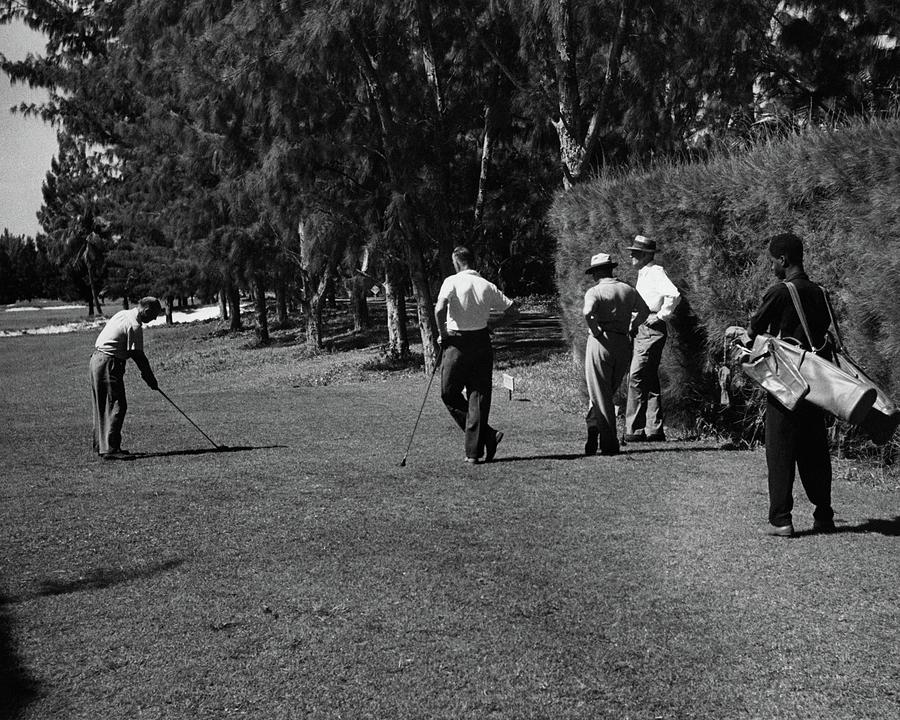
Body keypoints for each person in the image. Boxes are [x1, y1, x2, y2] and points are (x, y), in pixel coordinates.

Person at [740, 232, 835, 537]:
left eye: (773, 261)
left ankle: (782, 519)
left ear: (783, 260)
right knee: (815, 450)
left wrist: (743, 336)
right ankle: (824, 515)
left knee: (780, 451)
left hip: (787, 382)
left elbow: (754, 330)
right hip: (817, 383)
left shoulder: (781, 291)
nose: (772, 267)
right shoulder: (821, 292)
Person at [435, 246, 521, 463]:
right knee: (478, 395)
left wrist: (443, 333)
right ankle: (482, 443)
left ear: (456, 261)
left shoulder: (451, 281)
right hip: (482, 341)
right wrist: (494, 324)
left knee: (448, 392)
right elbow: (513, 312)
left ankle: (480, 445)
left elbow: (439, 309)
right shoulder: (487, 285)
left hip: (457, 343)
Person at [582, 252, 650, 456]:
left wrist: (595, 330)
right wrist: (631, 326)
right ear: (611, 269)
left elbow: (587, 312)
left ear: (596, 273)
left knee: (599, 394)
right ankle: (592, 434)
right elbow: (645, 311)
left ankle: (609, 443)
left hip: (601, 342)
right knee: (604, 393)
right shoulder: (628, 289)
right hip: (623, 343)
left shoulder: (595, 291)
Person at [89, 297, 163, 460]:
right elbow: (138, 356)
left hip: (97, 360)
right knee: (117, 405)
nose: (154, 319)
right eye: (154, 314)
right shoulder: (135, 325)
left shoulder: (123, 314)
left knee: (103, 404)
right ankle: (110, 449)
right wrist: (150, 379)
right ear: (146, 310)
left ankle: (102, 446)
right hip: (109, 362)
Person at [624, 234, 681, 442]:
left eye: (635, 253)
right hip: (643, 328)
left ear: (646, 255)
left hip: (650, 328)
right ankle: (653, 428)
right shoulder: (644, 273)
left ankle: (634, 430)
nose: (631, 255)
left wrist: (660, 316)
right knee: (648, 377)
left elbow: (674, 294)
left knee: (637, 375)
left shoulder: (655, 272)